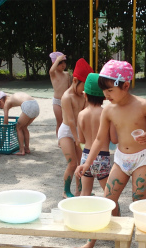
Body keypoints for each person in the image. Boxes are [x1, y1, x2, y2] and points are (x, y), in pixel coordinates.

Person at [75, 60, 146, 248]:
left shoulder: (143, 105)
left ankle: (144, 246)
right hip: (121, 160)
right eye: (104, 92)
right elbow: (98, 140)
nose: (106, 95)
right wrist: (86, 164)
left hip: (142, 159)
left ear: (125, 85)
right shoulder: (109, 110)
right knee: (108, 201)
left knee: (139, 203)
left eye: (110, 91)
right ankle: (92, 242)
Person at [76, 73, 117, 248]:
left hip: (86, 156)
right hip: (103, 158)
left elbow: (80, 138)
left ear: (85, 95)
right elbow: (114, 139)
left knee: (85, 193)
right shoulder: (107, 113)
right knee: (110, 195)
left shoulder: (81, 114)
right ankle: (118, 231)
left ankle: (87, 232)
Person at [59, 58, 93, 198]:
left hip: (79, 132)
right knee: (72, 164)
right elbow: (71, 121)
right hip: (67, 131)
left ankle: (80, 190)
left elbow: (85, 115)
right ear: (75, 81)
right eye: (83, 85)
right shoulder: (67, 97)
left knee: (82, 163)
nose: (84, 90)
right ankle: (66, 190)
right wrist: (77, 138)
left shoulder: (83, 96)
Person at [0, 91, 40, 156]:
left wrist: (2, 140)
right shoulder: (11, 97)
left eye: (0, 107)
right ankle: (27, 148)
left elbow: (5, 122)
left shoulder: (6, 102)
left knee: (18, 127)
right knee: (24, 127)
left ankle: (22, 150)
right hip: (35, 104)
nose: (2, 108)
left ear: (0, 101)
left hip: (28, 105)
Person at [49, 52, 71, 136]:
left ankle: (65, 137)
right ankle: (59, 139)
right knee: (59, 121)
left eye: (64, 63)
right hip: (57, 101)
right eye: (60, 63)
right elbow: (51, 70)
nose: (63, 65)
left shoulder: (66, 74)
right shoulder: (53, 74)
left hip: (65, 100)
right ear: (54, 64)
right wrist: (57, 59)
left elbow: (69, 87)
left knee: (67, 121)